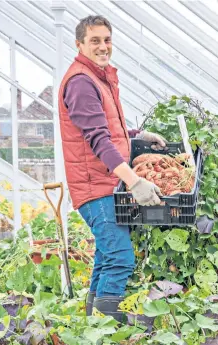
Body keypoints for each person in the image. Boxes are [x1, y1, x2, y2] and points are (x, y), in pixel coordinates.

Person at [58, 15, 167, 321]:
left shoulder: (98, 77)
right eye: (95, 40)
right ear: (79, 44)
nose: (103, 46)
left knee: (106, 258)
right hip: (96, 187)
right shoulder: (81, 82)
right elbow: (97, 140)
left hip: (104, 184)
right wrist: (135, 182)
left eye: (107, 40)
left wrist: (136, 135)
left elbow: (103, 128)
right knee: (120, 258)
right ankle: (107, 334)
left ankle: (92, 326)